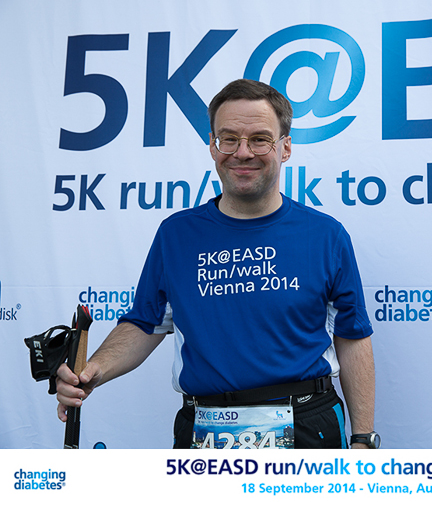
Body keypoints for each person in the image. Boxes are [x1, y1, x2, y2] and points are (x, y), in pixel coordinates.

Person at [55, 79, 377, 449]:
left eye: (260, 139)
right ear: (213, 145)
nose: (243, 152)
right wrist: (92, 372)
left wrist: (363, 439)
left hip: (307, 426)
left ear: (285, 147)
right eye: (229, 139)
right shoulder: (177, 235)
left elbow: (352, 338)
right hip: (203, 431)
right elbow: (145, 324)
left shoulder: (325, 236)